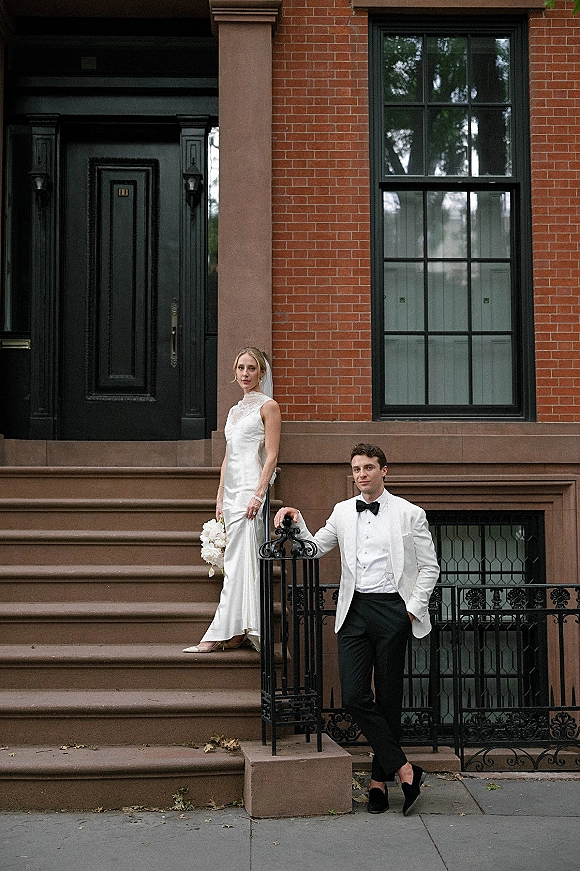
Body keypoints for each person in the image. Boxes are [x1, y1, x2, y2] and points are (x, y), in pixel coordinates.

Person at [273, 443, 440, 815]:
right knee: (353, 696)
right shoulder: (342, 512)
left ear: (384, 471)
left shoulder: (410, 514)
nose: (361, 474)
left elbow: (430, 568)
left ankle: (379, 782)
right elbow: (314, 549)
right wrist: (296, 520)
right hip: (355, 609)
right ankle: (407, 770)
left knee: (389, 698)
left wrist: (410, 611)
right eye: (356, 469)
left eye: (368, 467)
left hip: (394, 610)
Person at [184, 348, 281, 653]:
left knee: (242, 561)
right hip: (232, 492)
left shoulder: (269, 407)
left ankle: (219, 632)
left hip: (251, 490)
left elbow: (272, 455)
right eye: (240, 367)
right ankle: (240, 629)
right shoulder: (233, 410)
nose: (245, 373)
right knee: (236, 561)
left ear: (261, 373)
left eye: (251, 368)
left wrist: (258, 494)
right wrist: (219, 495)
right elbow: (227, 457)